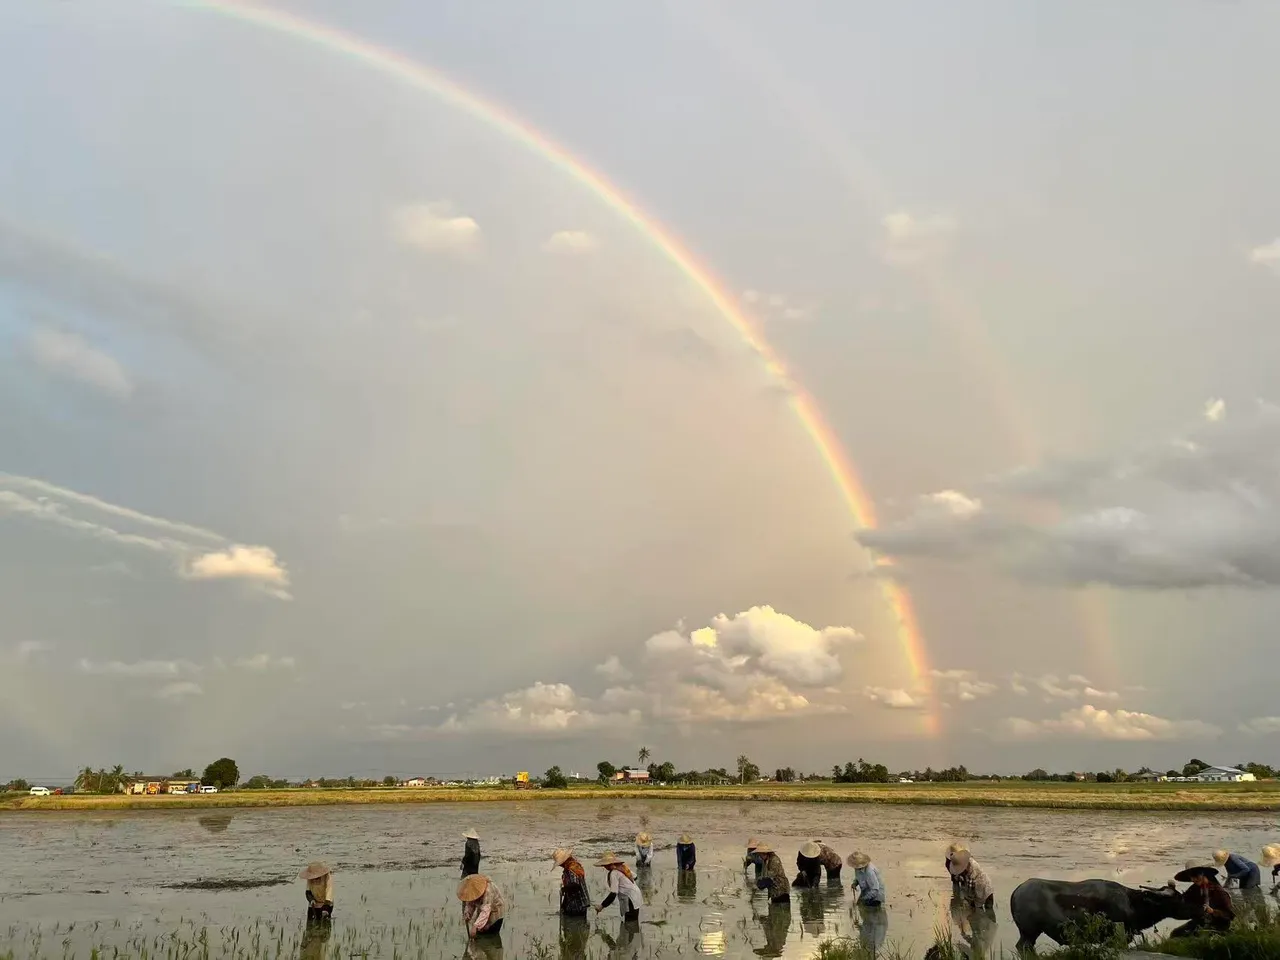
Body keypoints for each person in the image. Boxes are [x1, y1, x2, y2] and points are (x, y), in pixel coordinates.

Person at [1170, 862, 1233, 938]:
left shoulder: (1219, 891)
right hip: (1201, 921)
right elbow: (1183, 900)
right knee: (1175, 933)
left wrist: (1213, 911)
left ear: (1203, 874)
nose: (1194, 879)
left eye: (1196, 875)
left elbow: (1229, 915)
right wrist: (1173, 891)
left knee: (1197, 936)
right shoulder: (1194, 888)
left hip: (1218, 925)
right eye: (1191, 876)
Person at [595, 852, 644, 922]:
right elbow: (635, 877)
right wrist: (625, 883)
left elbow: (613, 894)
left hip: (629, 897)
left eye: (605, 865)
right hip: (636, 895)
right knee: (633, 920)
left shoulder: (614, 873)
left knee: (630, 922)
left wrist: (601, 906)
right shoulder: (622, 867)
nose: (605, 867)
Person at [458, 874, 505, 939]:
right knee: (480, 933)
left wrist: (475, 926)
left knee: (490, 936)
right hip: (483, 908)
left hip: (496, 910)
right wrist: (468, 914)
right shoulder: (472, 891)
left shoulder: (488, 890)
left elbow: (486, 910)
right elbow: (470, 904)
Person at [554, 848, 591, 917]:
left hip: (576, 905)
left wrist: (564, 889)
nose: (560, 865)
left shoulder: (570, 869)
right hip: (582, 903)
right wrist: (563, 905)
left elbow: (575, 885)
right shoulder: (576, 866)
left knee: (572, 924)